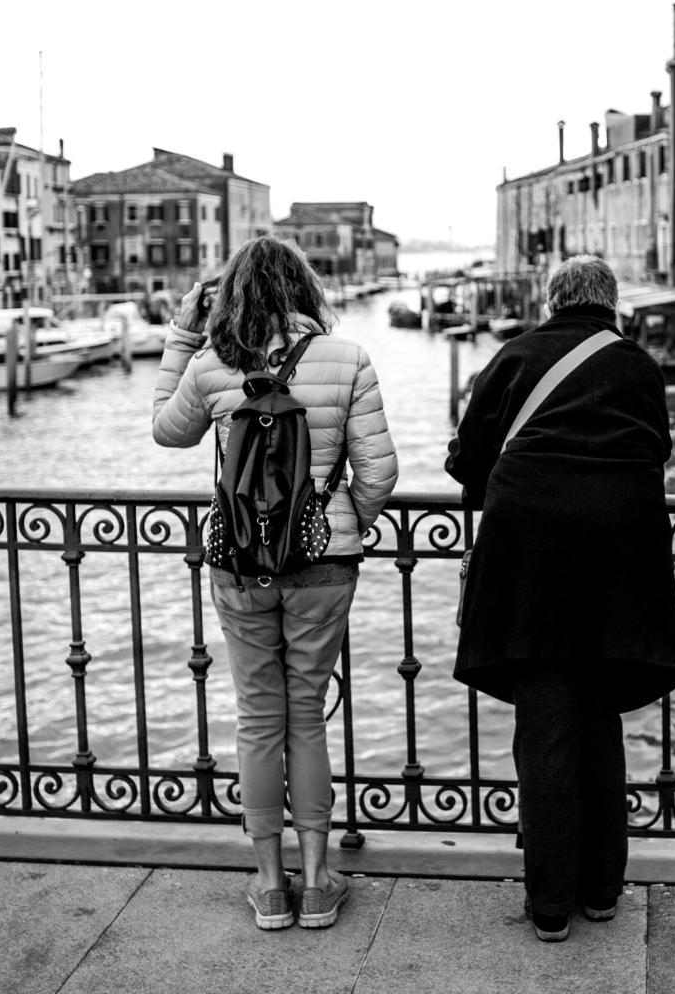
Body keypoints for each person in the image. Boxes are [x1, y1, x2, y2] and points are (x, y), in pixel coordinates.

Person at [153, 236, 398, 931]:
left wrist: (182, 332)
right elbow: (378, 472)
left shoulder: (211, 364)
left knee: (259, 716)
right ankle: (319, 883)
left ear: (226, 297)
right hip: (323, 564)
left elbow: (166, 432)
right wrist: (342, 521)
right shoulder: (348, 358)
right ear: (306, 289)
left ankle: (269, 886)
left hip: (237, 563)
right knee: (305, 712)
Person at [445, 254, 675, 943]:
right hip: (619, 563)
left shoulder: (517, 354)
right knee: (600, 718)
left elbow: (468, 462)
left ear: (552, 301)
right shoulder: (637, 365)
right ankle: (604, 891)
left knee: (546, 720)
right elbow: (658, 449)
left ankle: (551, 903)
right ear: (611, 305)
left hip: (531, 563)